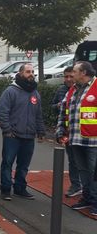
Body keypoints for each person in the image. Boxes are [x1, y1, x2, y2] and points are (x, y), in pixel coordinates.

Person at [0, 63, 46, 201]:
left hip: (29, 136)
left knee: (24, 165)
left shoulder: (35, 93)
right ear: (20, 74)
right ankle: (6, 189)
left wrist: (41, 131)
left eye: (32, 72)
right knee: (7, 162)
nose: (31, 74)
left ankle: (20, 188)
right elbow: (3, 111)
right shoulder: (11, 91)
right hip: (13, 135)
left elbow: (38, 114)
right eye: (27, 72)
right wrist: (7, 130)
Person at [56, 61, 97, 216]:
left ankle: (96, 201)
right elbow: (63, 112)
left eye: (74, 71)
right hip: (76, 139)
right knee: (84, 171)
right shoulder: (73, 90)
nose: (72, 75)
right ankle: (87, 197)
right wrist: (61, 131)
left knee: (94, 172)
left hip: (93, 140)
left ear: (84, 73)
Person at [51, 66, 82, 197]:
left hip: (83, 133)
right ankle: (75, 185)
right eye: (66, 76)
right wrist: (58, 106)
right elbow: (52, 107)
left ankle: (88, 187)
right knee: (73, 161)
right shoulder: (61, 90)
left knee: (86, 162)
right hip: (68, 133)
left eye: (71, 76)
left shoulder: (82, 90)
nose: (68, 79)